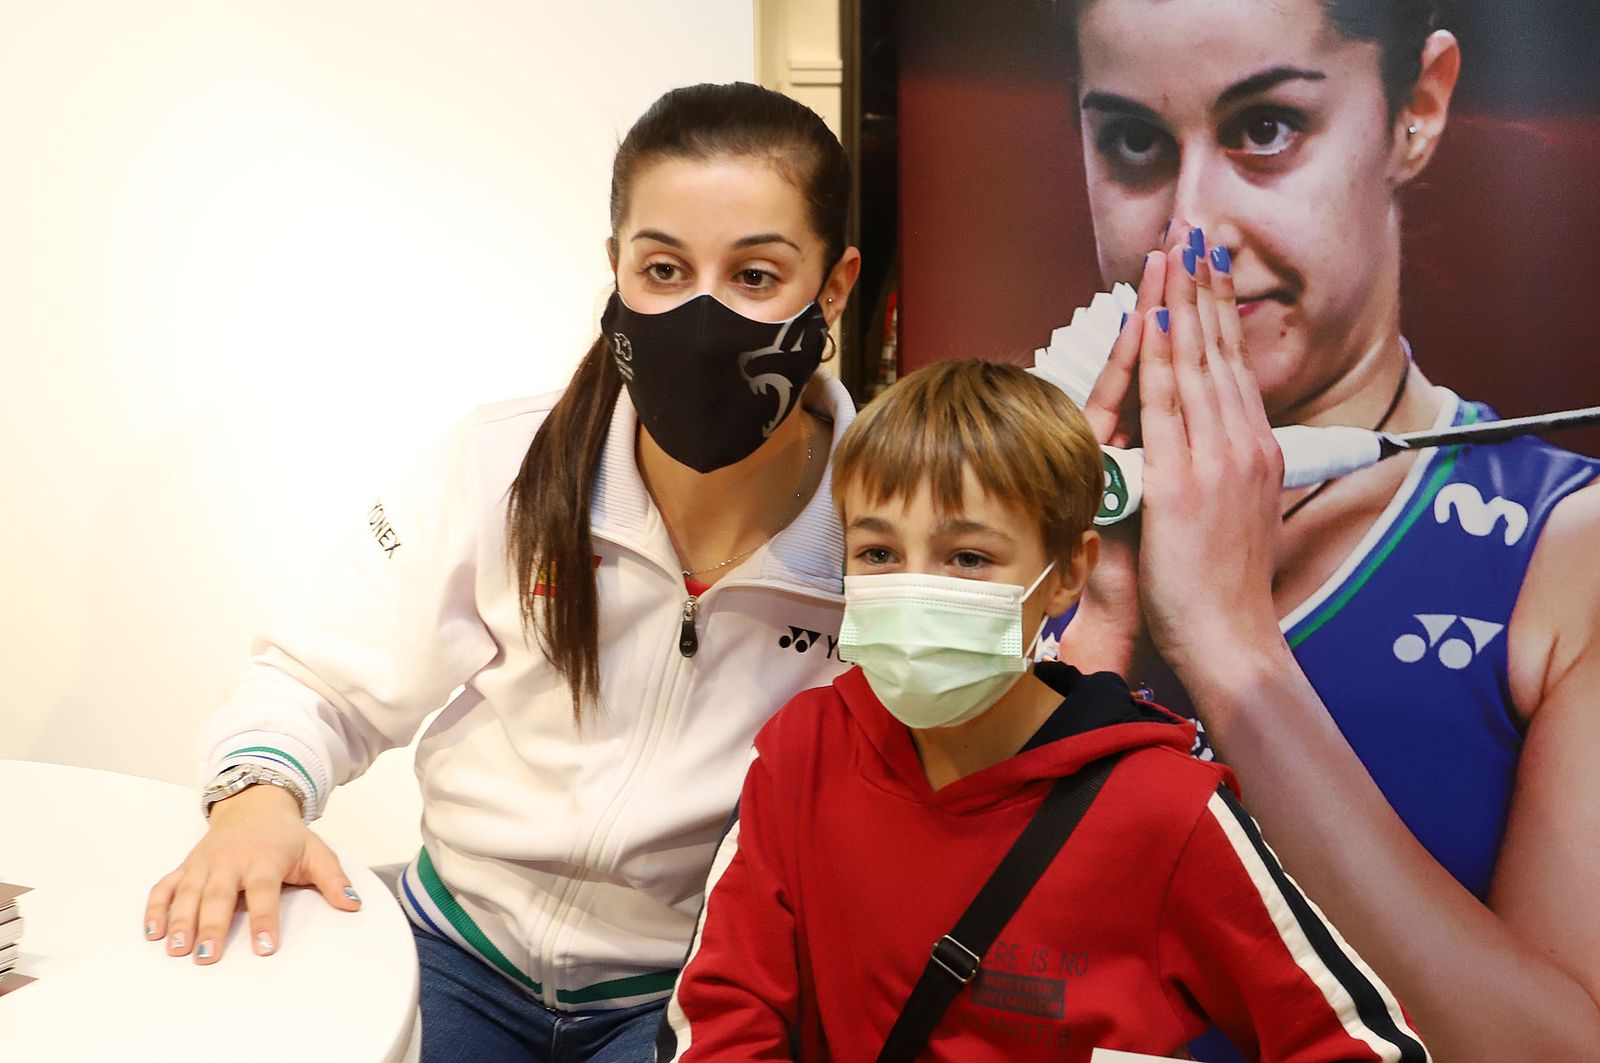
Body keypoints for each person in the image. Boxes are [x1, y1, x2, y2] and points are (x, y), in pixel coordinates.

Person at [140, 81, 863, 1061]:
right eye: (662, 267)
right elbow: (319, 680)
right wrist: (257, 797)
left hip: (690, 989)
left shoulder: (889, 533)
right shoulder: (507, 464)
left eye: (754, 276)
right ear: (613, 272)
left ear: (833, 285)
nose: (702, 314)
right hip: (454, 952)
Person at [1039, 2, 1600, 1059]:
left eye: (1265, 130)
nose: (1188, 229)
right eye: (1131, 142)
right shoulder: (1003, 532)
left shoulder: (1566, 551)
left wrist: (1229, 649)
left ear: (1416, 111)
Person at [658, 359, 1429, 1062]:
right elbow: (722, 1014)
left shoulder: (1165, 812)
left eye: (968, 557)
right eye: (879, 553)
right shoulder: (805, 750)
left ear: (1066, 574)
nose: (916, 587)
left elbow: (1359, 1046)